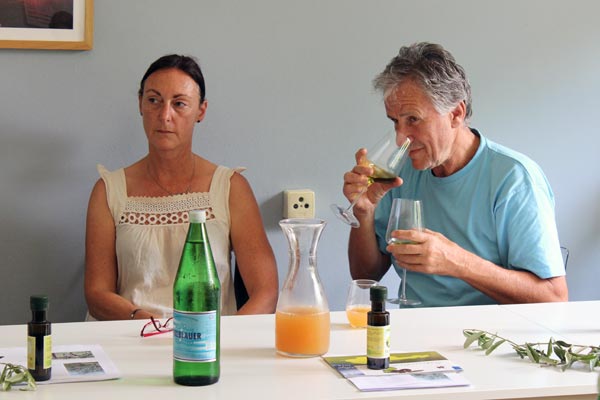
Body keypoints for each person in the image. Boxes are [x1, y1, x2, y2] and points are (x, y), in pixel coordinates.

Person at [342, 42, 568, 306]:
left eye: (413, 119)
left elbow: (553, 297)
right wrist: (364, 214)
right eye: (395, 122)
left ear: (456, 114)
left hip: (485, 331)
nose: (401, 138)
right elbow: (365, 275)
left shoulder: (514, 179)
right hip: (414, 329)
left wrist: (457, 262)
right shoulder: (401, 172)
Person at [85, 54, 279, 320]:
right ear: (140, 104)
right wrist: (148, 325)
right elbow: (96, 294)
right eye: (154, 100)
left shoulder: (230, 188)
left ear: (201, 111)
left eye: (179, 104)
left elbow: (265, 292)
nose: (165, 115)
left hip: (208, 338)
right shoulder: (109, 191)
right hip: (132, 333)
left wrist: (224, 338)